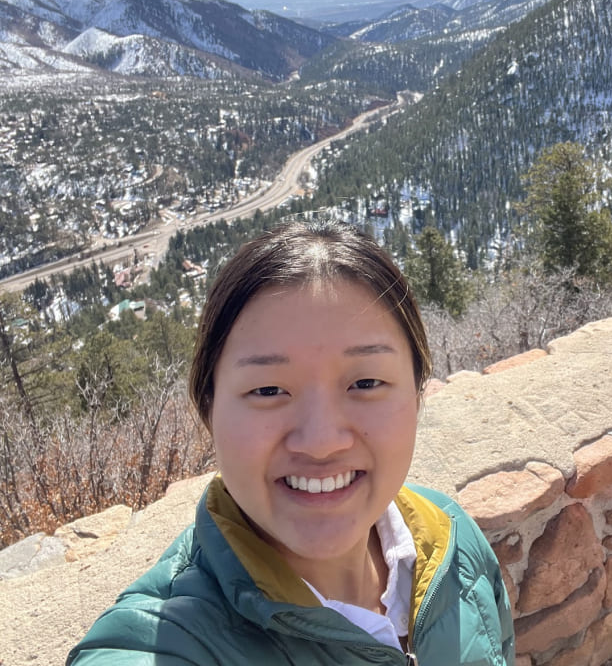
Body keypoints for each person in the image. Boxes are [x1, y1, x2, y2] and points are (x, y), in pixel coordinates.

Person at [67, 219, 514, 665]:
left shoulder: (450, 540)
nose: (321, 443)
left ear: (417, 395)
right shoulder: (172, 645)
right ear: (209, 410)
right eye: (267, 390)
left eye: (366, 382)